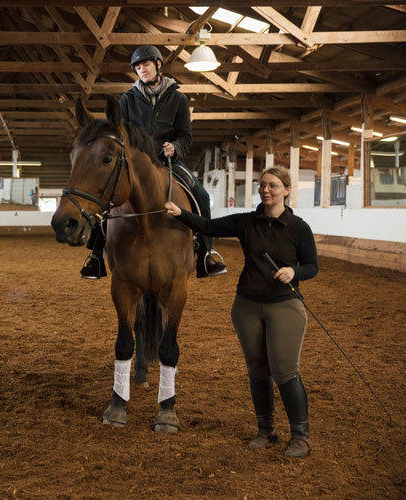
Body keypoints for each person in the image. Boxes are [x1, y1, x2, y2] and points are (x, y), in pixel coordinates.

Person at [164, 166, 318, 458]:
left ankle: (300, 436)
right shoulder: (247, 222)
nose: (266, 190)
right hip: (247, 306)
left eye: (273, 185)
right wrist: (178, 212)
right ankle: (266, 430)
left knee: (284, 371)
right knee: (257, 372)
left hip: (285, 305)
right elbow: (207, 226)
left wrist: (292, 270)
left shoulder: (299, 227)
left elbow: (312, 266)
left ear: (286, 190)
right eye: (262, 185)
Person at [80, 45, 226, 280]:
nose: (142, 70)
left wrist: (175, 147)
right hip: (135, 162)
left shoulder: (178, 99)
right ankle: (95, 254)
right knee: (107, 194)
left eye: (146, 64)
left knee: (201, 195)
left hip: (167, 160)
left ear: (158, 65)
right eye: (137, 67)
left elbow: (185, 136)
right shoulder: (127, 99)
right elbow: (121, 132)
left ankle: (208, 252)